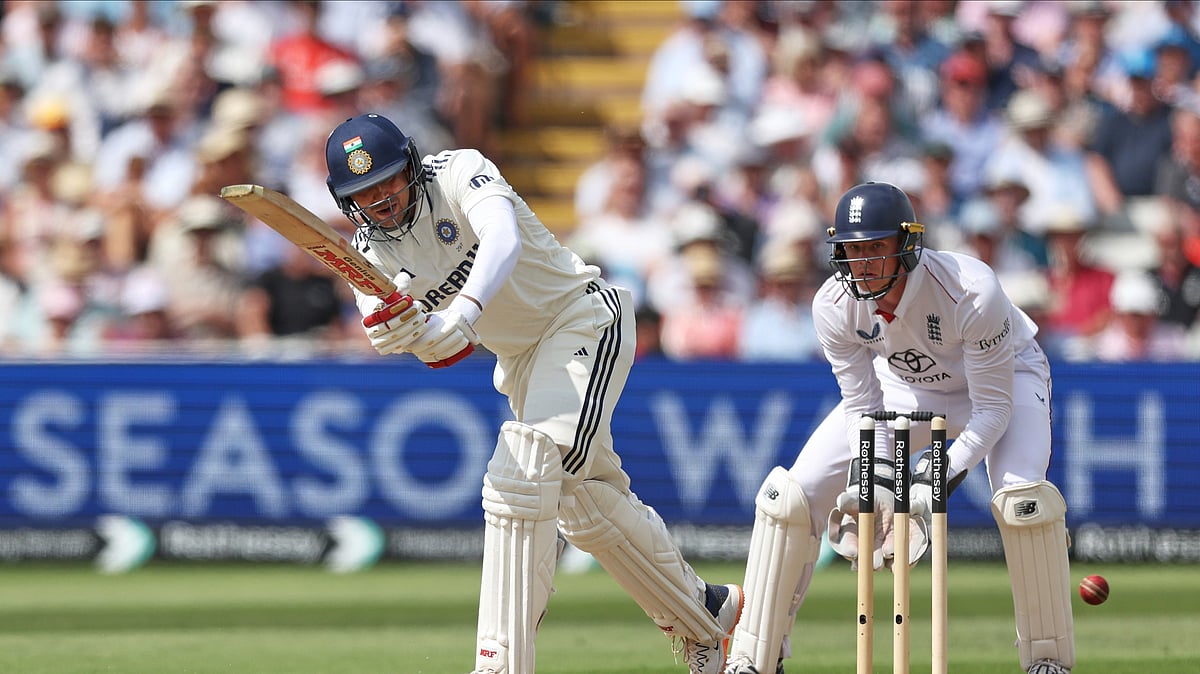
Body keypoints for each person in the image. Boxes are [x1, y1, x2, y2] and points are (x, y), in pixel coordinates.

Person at [321, 113, 742, 674]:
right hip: (522, 362)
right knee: (582, 503)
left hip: (581, 319)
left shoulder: (460, 172)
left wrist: (462, 314)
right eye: (364, 194)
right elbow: (433, 349)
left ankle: (500, 662)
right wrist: (402, 334)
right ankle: (709, 613)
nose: (381, 201)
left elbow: (503, 238)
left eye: (389, 181)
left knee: (522, 477)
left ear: (413, 166)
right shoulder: (368, 254)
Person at [723, 182, 1075, 674]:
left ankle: (1047, 661)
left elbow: (993, 409)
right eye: (852, 250)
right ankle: (753, 658)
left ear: (907, 245)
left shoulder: (971, 290)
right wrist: (882, 476)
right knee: (790, 497)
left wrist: (941, 471)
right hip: (906, 387)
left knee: (1024, 503)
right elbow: (862, 405)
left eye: (875, 248)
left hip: (1006, 378)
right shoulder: (832, 306)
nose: (862, 264)